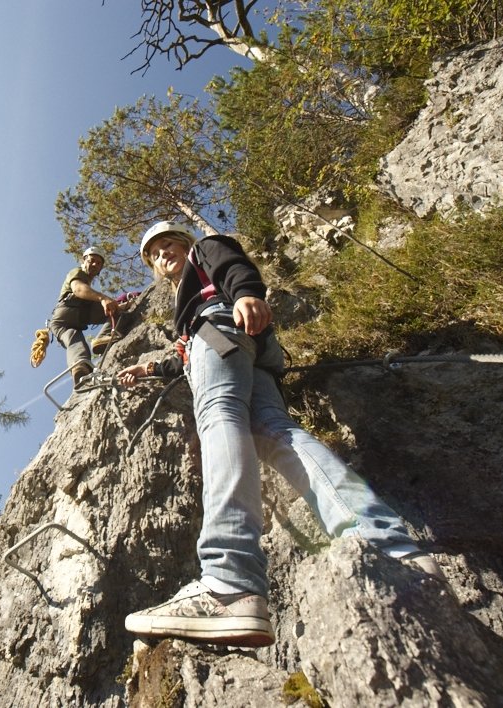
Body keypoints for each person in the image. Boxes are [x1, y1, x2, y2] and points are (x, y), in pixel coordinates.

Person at [118, 220, 445, 647]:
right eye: (155, 254)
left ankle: (228, 580)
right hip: (243, 347)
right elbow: (187, 355)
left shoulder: (204, 252)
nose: (163, 254)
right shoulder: (190, 293)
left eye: (168, 244)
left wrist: (246, 293)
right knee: (276, 433)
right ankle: (386, 542)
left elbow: (230, 264)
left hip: (219, 332)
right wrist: (149, 368)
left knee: (219, 418)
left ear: (184, 244)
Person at [48, 247, 122, 389]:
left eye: (99, 263)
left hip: (62, 322)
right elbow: (78, 289)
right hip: (70, 309)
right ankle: (103, 337)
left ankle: (81, 371)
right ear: (84, 260)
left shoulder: (86, 280)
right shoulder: (77, 272)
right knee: (116, 311)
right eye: (92, 260)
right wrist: (103, 298)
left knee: (75, 343)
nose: (95, 264)